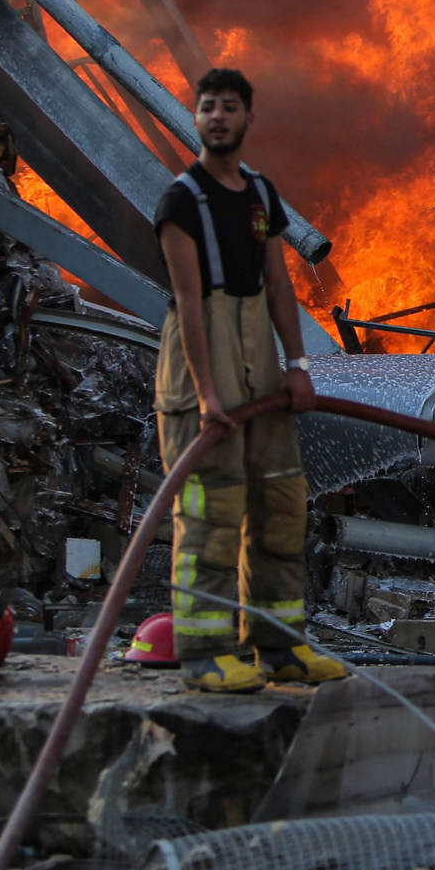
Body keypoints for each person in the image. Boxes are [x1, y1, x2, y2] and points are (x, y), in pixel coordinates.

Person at [153, 68, 344, 693]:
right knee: (211, 514)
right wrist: (209, 395)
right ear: (196, 118)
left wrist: (298, 366)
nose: (218, 117)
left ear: (246, 119)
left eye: (229, 107)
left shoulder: (260, 194)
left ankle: (281, 647)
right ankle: (205, 655)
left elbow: (280, 285)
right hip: (203, 352)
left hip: (261, 354)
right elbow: (188, 302)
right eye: (207, 107)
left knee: (282, 503)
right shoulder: (182, 202)